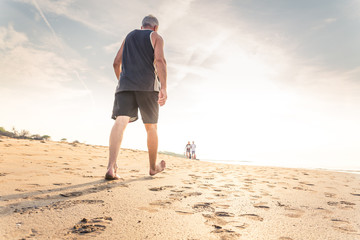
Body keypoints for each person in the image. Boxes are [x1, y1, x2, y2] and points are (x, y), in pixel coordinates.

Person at [105, 15, 167, 180]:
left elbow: (115, 63)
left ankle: (111, 167)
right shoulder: (155, 37)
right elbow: (160, 61)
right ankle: (153, 167)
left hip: (125, 86)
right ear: (155, 28)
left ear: (142, 27)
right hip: (148, 87)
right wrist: (164, 88)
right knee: (151, 127)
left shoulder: (129, 36)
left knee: (121, 121)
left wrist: (122, 81)